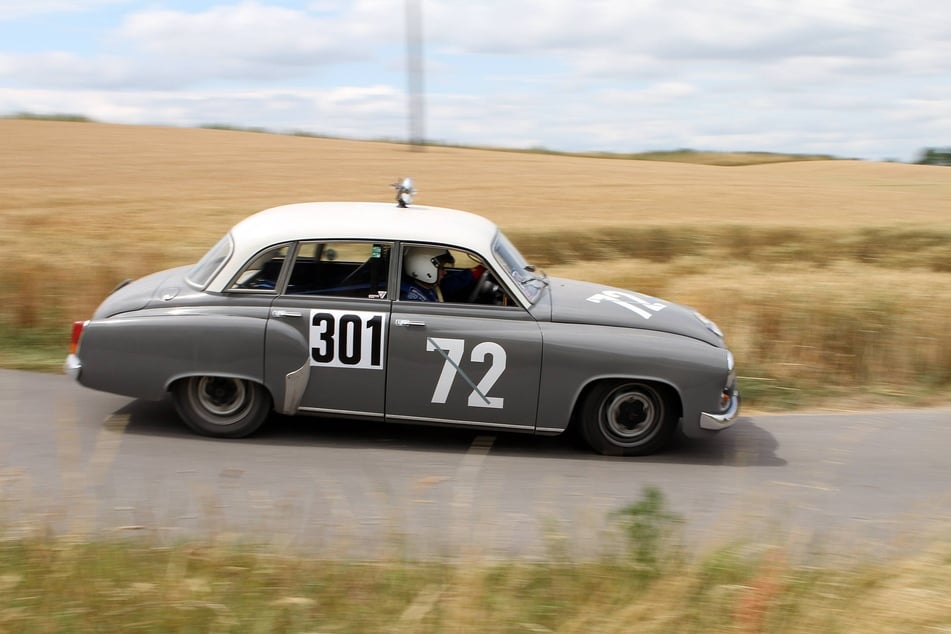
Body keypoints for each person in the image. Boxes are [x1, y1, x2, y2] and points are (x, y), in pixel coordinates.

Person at [400, 247, 484, 302]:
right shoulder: (412, 299)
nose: (445, 272)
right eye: (441, 268)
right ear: (425, 268)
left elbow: (451, 283)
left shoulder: (426, 286)